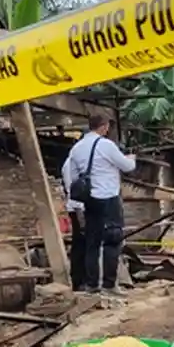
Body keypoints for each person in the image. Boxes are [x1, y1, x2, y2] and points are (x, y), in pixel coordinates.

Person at [63, 114, 136, 295]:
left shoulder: (77, 148)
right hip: (108, 197)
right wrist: (132, 159)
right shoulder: (106, 145)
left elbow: (71, 177)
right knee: (112, 240)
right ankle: (110, 285)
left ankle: (92, 284)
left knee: (92, 242)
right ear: (104, 127)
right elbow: (127, 167)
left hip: (89, 200)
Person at [60, 155, 87, 291]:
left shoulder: (74, 162)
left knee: (82, 243)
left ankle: (81, 279)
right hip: (78, 208)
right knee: (81, 243)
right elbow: (73, 189)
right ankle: (79, 280)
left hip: (79, 207)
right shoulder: (72, 163)